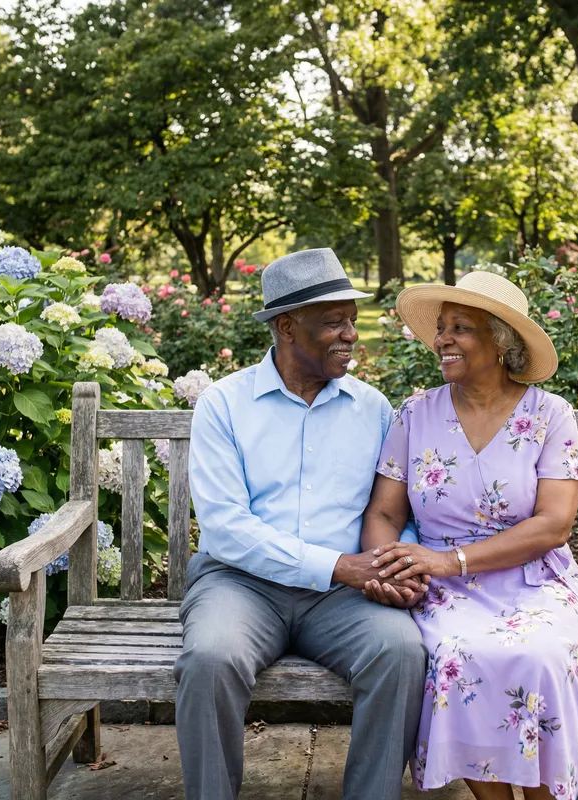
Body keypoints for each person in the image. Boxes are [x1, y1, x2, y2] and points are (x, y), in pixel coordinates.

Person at [360, 271, 578, 800]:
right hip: (442, 590)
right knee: (457, 656)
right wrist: (390, 568)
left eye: (460, 328)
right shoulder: (416, 413)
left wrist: (452, 561)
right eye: (441, 328)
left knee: (540, 657)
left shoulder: (549, 414)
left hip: (533, 581)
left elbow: (554, 523)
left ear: (502, 343)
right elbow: (383, 512)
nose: (442, 339)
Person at [174, 248, 428, 800]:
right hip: (241, 585)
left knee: (401, 651)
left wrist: (397, 566)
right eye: (334, 322)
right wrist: (341, 566)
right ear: (287, 326)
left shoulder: (372, 409)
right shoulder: (224, 404)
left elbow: (393, 510)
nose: (351, 335)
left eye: (352, 321)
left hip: (342, 598)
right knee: (210, 657)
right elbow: (225, 527)